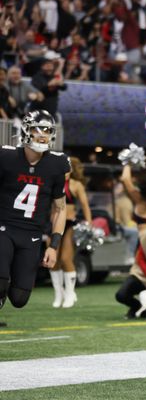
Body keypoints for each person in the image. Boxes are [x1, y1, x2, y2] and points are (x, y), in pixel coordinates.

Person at [0, 110, 69, 310]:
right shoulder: (6, 156)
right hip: (4, 227)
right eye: (37, 129)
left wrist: (54, 245)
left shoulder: (57, 164)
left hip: (32, 234)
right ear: (25, 131)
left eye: (47, 130)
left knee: (19, 299)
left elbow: (60, 208)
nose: (42, 134)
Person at [48, 156, 92, 308]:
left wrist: (89, 225)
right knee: (52, 261)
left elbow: (85, 205)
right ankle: (58, 294)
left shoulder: (75, 184)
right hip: (51, 224)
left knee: (66, 258)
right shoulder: (52, 181)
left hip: (69, 223)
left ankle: (70, 293)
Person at [30, 53, 67, 119]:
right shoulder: (37, 77)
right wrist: (49, 84)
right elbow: (38, 89)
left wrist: (60, 83)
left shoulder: (54, 76)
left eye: (50, 65)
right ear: (42, 66)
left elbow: (64, 87)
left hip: (51, 110)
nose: (49, 67)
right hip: (38, 110)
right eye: (47, 65)